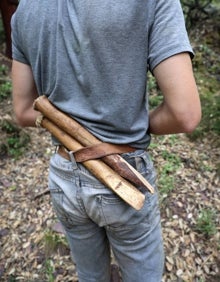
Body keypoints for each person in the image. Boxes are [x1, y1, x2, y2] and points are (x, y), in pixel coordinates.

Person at [11, 1, 201, 281]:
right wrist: (132, 123)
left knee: (90, 275)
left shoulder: (25, 9)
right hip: (123, 175)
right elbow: (184, 114)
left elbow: (23, 111)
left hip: (64, 172)